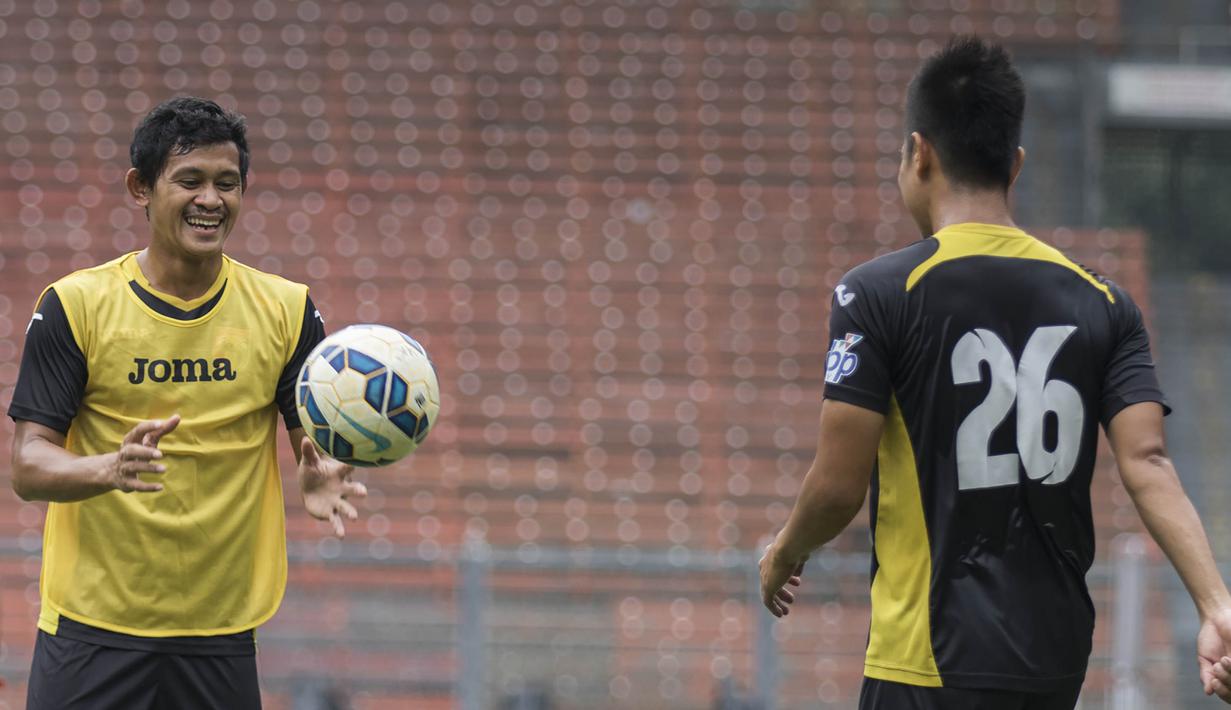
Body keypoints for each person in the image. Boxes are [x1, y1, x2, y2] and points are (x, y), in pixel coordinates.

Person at [759, 36, 1231, 709]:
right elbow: (1148, 462)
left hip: (926, 661)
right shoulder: (1103, 302)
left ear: (917, 154)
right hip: (1052, 666)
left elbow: (837, 490)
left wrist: (783, 554)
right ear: (1015, 164)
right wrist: (1216, 606)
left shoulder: (876, 294)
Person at [8, 96, 366, 709]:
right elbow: (28, 464)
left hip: (221, 634)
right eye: (190, 180)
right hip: (91, 629)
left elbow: (310, 439)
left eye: (227, 183)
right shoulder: (75, 306)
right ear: (140, 188)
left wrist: (323, 469)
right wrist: (107, 468)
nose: (210, 200)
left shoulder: (287, 310)